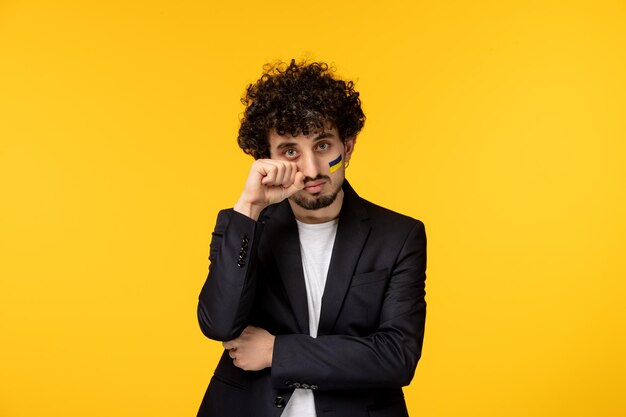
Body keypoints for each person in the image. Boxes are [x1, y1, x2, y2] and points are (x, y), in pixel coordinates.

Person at [196, 59, 427, 417]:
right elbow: (219, 324)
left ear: (346, 147)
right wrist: (250, 208)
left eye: (322, 146)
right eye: (291, 151)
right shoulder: (244, 224)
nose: (312, 170)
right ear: (267, 159)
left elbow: (396, 357)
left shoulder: (399, 235)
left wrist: (277, 351)